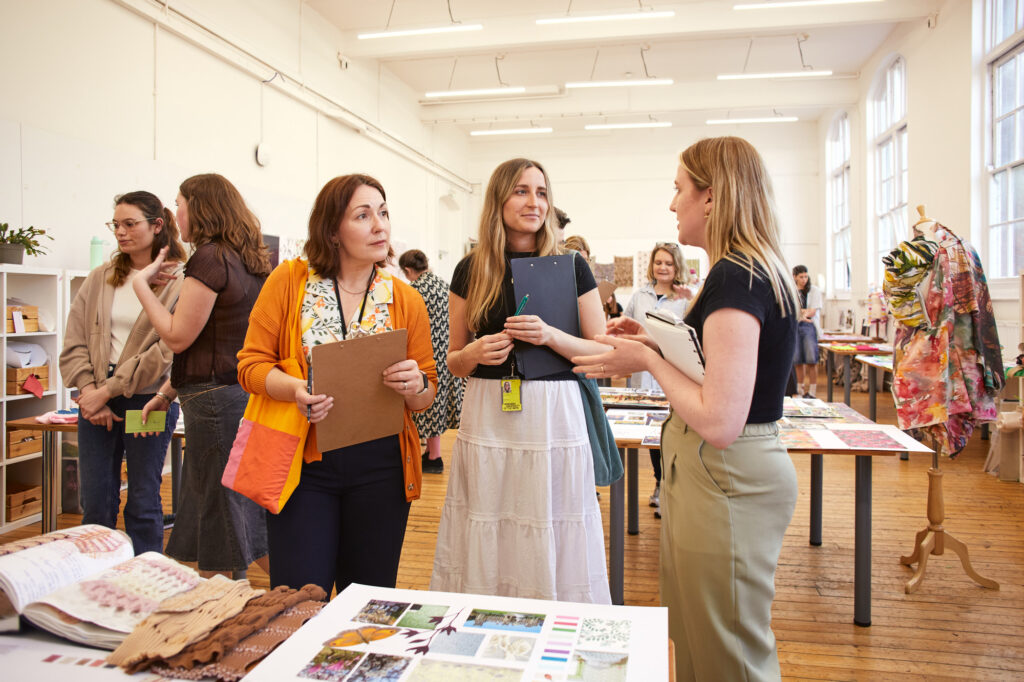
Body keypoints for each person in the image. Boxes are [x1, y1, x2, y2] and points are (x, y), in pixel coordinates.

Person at [573, 136, 800, 681]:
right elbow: (717, 367)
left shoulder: (736, 275)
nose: (673, 203)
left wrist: (647, 361)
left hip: (724, 474)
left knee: (728, 652)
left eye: (679, 190)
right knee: (698, 638)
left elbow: (720, 419)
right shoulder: (745, 270)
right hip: (716, 475)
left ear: (712, 197)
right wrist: (653, 342)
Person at [237, 175, 436, 596]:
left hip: (382, 467)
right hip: (303, 463)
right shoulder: (290, 282)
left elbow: (426, 394)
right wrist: (295, 390)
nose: (380, 225)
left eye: (383, 213)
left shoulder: (406, 299)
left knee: (366, 602)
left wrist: (415, 384)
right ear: (332, 231)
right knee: (297, 601)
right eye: (363, 216)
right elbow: (251, 367)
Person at [431, 158, 611, 604]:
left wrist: (551, 336)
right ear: (499, 199)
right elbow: (453, 361)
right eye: (522, 191)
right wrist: (472, 354)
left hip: (553, 414)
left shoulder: (571, 266)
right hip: (489, 412)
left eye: (542, 192)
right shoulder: (470, 269)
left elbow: (603, 352)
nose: (535, 202)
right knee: (489, 514)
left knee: (551, 515)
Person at [133, 173, 270, 579]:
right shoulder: (245, 259)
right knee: (227, 510)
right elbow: (215, 341)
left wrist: (141, 286)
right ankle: (292, 592)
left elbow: (179, 337)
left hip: (214, 404)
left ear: (200, 207)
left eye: (179, 204)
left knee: (223, 513)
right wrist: (167, 392)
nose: (177, 214)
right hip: (231, 395)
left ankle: (239, 601)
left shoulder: (209, 257)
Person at [59, 191, 186, 555]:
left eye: (130, 224)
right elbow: (74, 340)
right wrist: (90, 393)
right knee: (96, 502)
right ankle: (97, 576)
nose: (120, 232)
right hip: (95, 401)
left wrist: (108, 390)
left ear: (157, 225)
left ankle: (145, 577)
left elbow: (166, 352)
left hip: (148, 400)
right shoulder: (100, 278)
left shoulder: (179, 281)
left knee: (143, 501)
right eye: (115, 224)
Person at [623, 242, 690, 517]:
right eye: (658, 262)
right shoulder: (639, 296)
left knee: (673, 432)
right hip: (643, 374)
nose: (662, 267)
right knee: (651, 434)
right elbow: (626, 326)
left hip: (673, 373)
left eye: (668, 263)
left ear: (677, 267)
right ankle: (660, 483)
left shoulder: (685, 299)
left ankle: (673, 487)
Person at [398, 248, 464, 474]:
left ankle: (434, 457)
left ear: (408, 270)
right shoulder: (443, 284)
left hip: (426, 354)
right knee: (438, 405)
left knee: (427, 406)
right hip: (446, 353)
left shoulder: (414, 290)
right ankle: (432, 453)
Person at [792, 264, 823, 398]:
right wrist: (802, 313)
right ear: (795, 277)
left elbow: (813, 311)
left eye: (805, 276)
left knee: (811, 359)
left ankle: (812, 391)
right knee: (797, 359)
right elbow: (791, 309)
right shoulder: (791, 289)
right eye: (801, 277)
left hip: (809, 326)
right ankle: (799, 390)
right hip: (796, 325)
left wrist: (801, 313)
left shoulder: (814, 290)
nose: (804, 279)